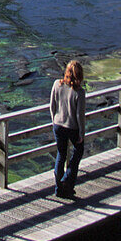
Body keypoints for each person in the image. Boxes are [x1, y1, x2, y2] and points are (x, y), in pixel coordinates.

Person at [49, 60, 85, 198]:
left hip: (58, 124)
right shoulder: (79, 92)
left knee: (61, 155)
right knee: (78, 152)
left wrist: (54, 120)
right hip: (72, 127)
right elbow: (79, 115)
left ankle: (59, 188)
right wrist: (81, 132)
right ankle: (67, 182)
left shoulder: (57, 85)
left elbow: (52, 105)